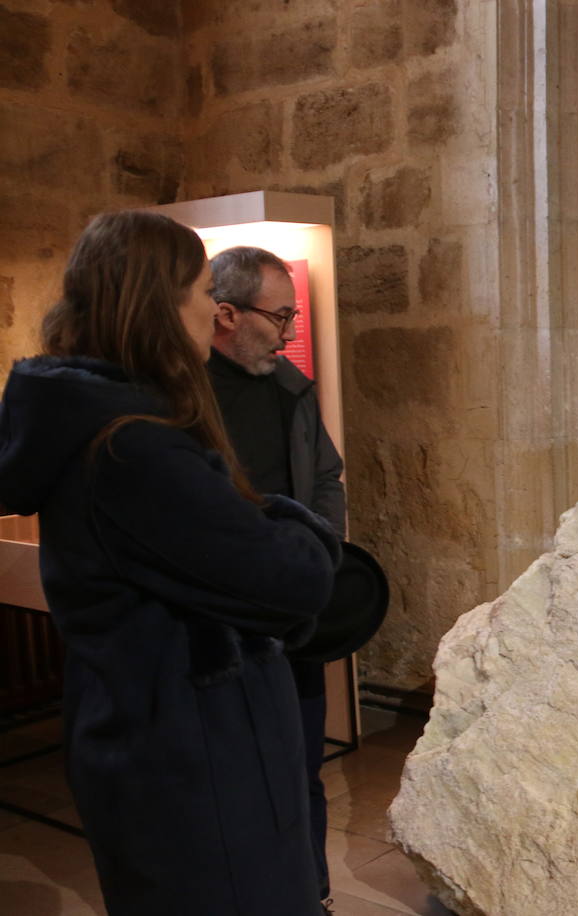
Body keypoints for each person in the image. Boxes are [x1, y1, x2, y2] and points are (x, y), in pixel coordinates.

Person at [0, 210, 340, 914]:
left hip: (167, 739)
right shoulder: (134, 448)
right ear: (163, 305)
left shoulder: (111, 424)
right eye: (200, 289)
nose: (207, 307)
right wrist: (290, 520)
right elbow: (292, 580)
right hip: (196, 756)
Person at [207, 246, 344, 910]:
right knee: (232, 771)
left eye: (292, 318)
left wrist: (319, 556)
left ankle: (308, 893)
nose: (290, 336)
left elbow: (324, 478)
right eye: (279, 318)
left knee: (302, 766)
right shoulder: (184, 398)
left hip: (291, 611)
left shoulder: (292, 389)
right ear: (225, 313)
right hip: (222, 619)